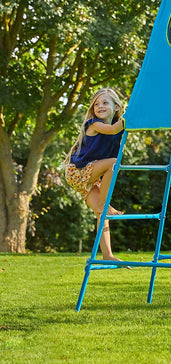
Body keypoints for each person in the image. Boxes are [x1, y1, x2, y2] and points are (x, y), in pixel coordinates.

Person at [64, 88, 126, 262]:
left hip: (90, 177)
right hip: (77, 172)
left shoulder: (119, 128)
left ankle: (108, 255)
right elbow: (113, 129)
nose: (100, 106)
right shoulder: (93, 124)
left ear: (116, 107)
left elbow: (119, 129)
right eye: (96, 104)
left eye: (105, 103)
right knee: (114, 162)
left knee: (102, 214)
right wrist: (131, 116)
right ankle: (104, 204)